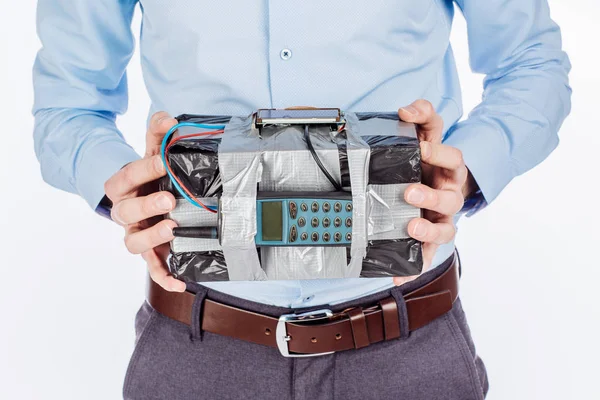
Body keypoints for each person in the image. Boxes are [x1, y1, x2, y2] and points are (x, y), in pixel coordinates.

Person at [32, 1, 571, 399]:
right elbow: (67, 101)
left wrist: (467, 172)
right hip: (196, 347)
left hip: (406, 343)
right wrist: (125, 186)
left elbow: (532, 61)